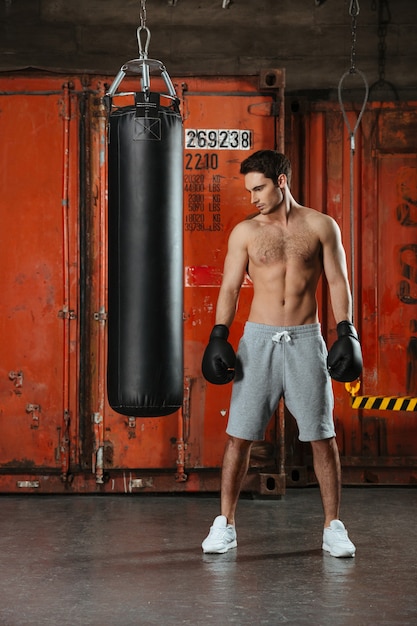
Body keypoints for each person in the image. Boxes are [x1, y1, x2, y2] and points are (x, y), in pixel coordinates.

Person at [201, 150, 362, 558]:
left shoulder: (322, 225)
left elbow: (338, 281)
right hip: (258, 341)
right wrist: (219, 334)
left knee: (322, 436)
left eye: (259, 188)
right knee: (239, 436)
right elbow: (231, 288)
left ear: (282, 181)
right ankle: (225, 524)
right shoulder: (246, 232)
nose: (253, 197)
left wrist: (347, 331)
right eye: (249, 190)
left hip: (307, 340)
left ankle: (333, 527)